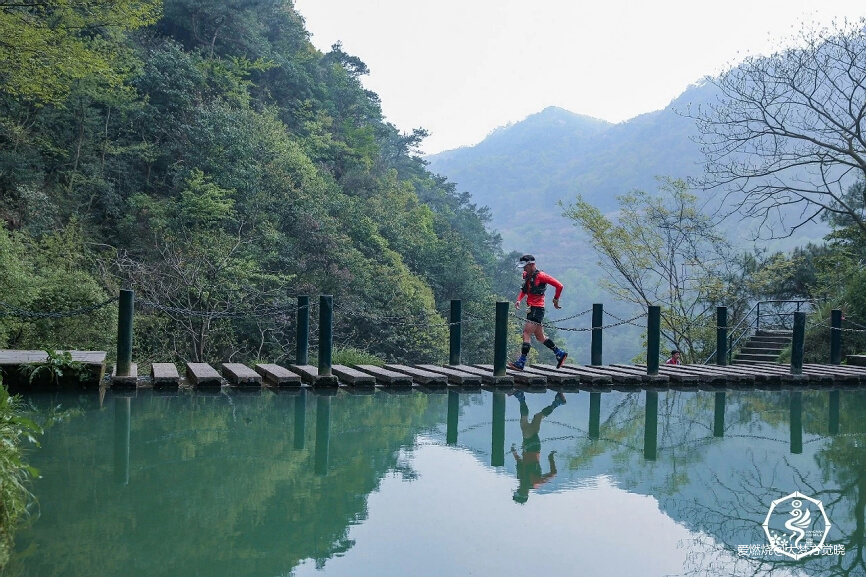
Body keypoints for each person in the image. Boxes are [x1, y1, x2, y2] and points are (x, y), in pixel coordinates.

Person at [508, 254, 568, 371]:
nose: (523, 269)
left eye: (525, 266)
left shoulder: (541, 276)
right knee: (541, 338)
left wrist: (555, 300)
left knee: (526, 333)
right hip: (531, 308)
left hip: (537, 309)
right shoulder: (526, 275)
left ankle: (521, 362)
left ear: (532, 264)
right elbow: (524, 290)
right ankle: (560, 353)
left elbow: (559, 286)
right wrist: (519, 300)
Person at [510, 390, 566, 503]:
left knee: (535, 418)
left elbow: (520, 463)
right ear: (525, 493)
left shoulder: (521, 479)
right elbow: (553, 473)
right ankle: (521, 398)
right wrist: (551, 457)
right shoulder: (535, 482)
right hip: (534, 446)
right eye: (520, 491)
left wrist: (514, 453)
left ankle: (557, 403)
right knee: (531, 422)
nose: (519, 488)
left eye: (518, 490)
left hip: (526, 446)